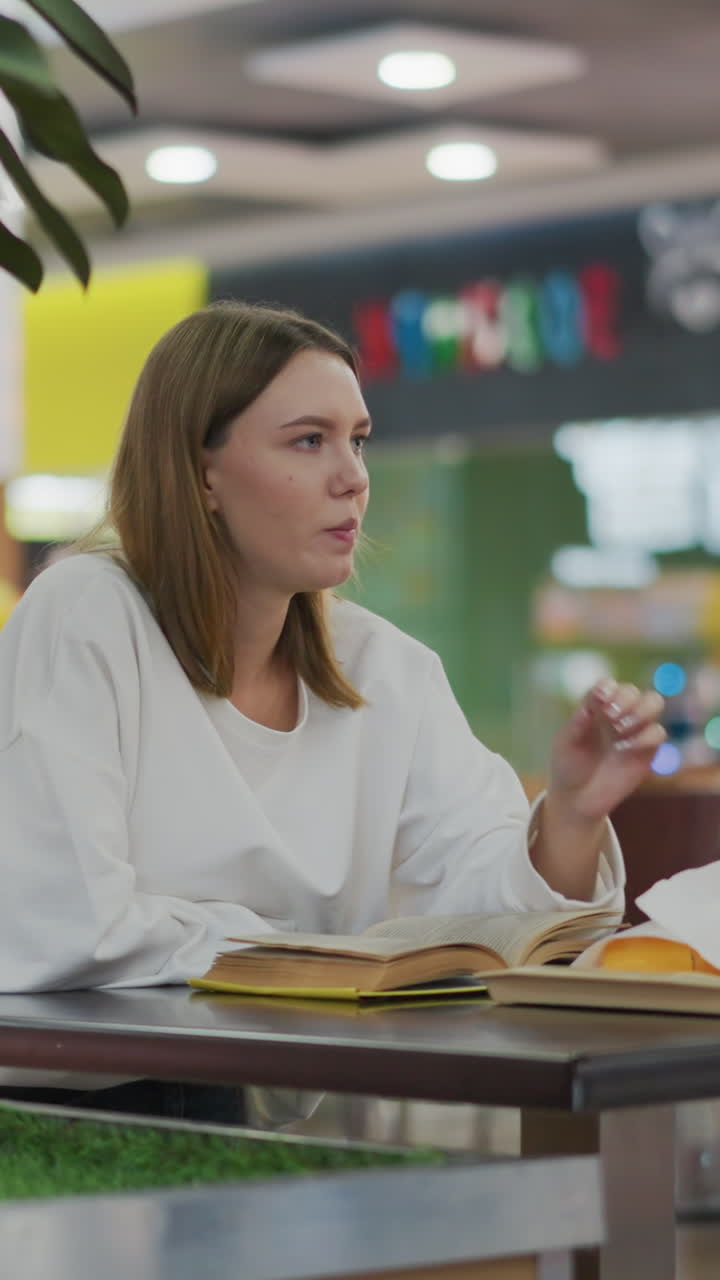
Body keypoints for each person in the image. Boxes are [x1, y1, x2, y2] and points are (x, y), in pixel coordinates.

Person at [0, 300, 664, 1121]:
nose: (353, 476)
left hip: (277, 1100)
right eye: (308, 440)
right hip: (69, 1109)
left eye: (358, 439)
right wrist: (315, 956)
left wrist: (570, 814)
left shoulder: (385, 668)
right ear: (199, 472)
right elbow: (64, 928)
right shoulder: (86, 612)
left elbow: (490, 924)